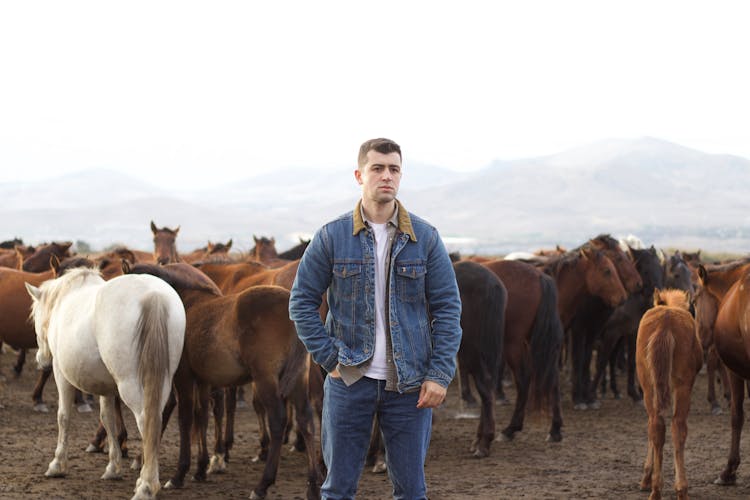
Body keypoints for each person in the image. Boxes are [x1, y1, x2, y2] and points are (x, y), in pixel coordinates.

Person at [289, 137, 462, 499]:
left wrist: (439, 374)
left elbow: (448, 309)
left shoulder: (425, 238)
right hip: (349, 380)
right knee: (337, 490)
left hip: (410, 385)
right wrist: (330, 359)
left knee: (412, 492)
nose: (387, 176)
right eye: (377, 168)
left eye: (394, 169)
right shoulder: (332, 236)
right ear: (359, 175)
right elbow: (301, 302)